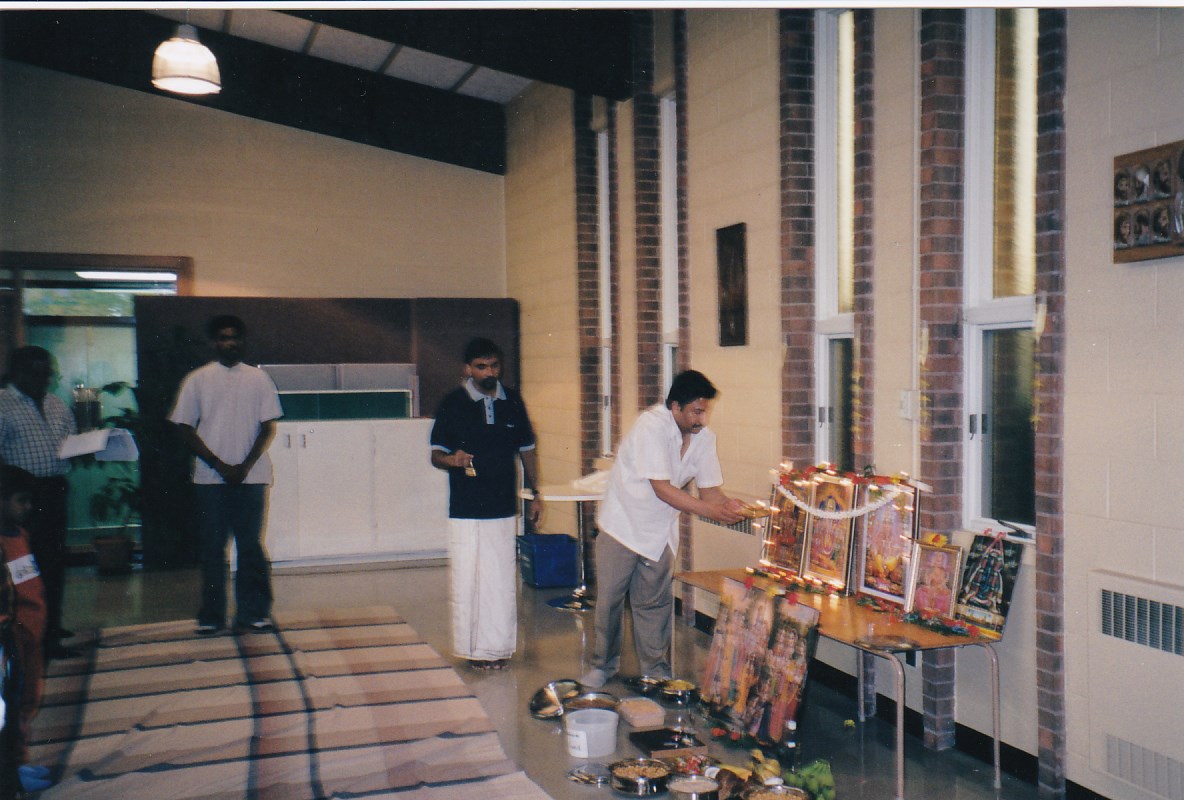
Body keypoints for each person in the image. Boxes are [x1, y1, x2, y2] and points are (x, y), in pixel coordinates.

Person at [581, 370, 746, 688]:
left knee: (654, 603)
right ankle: (603, 665)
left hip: (659, 530)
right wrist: (711, 511)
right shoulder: (651, 426)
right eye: (696, 412)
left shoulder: (704, 438)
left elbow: (710, 491)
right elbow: (662, 488)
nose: (702, 419)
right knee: (611, 599)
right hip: (622, 524)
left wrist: (730, 507)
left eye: (705, 411)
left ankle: (655, 671)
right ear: (675, 406)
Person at [429, 337, 542, 670]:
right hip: (466, 510)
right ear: (468, 369)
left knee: (501, 582)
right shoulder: (453, 403)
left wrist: (536, 493)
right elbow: (436, 455)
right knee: (469, 581)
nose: (489, 372)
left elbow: (527, 450)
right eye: (481, 367)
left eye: (494, 366)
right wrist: (452, 460)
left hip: (503, 507)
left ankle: (498, 649)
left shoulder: (513, 401)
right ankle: (472, 651)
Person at [169, 314, 283, 636]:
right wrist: (218, 464)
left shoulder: (259, 379)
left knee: (250, 547)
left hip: (252, 477)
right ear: (214, 342)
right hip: (210, 480)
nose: (229, 343)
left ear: (243, 341)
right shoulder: (198, 379)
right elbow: (184, 427)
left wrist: (244, 466)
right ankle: (211, 616)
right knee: (212, 548)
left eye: (235, 337)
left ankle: (254, 613)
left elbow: (268, 427)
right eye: (223, 338)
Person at [0, 346, 78, 660]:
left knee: (53, 563)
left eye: (48, 374)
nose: (45, 380)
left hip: (54, 489)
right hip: (21, 497)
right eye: (38, 373)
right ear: (17, 373)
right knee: (23, 566)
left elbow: (69, 442)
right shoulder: (2, 404)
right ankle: (29, 635)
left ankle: (51, 629)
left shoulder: (56, 403)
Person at [0, 466, 52, 793]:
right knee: (12, 703)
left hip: (33, 634)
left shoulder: (19, 534)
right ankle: (11, 769)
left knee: (30, 697)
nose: (28, 507)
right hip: (14, 637)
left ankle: (19, 762)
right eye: (21, 500)